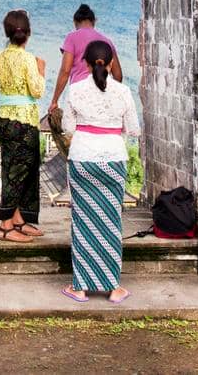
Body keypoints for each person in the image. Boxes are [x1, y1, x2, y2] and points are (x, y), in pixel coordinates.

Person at [59, 39, 139, 305]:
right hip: (114, 156)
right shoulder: (124, 92)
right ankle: (113, 286)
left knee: (83, 222)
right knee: (111, 221)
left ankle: (80, 286)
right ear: (112, 62)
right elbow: (133, 129)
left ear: (84, 63)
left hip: (82, 157)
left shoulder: (76, 90)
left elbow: (69, 128)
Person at [0, 9, 46, 243]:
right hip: (23, 121)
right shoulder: (28, 59)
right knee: (20, 174)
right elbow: (36, 91)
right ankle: (5, 225)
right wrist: (41, 72)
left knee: (11, 169)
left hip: (4, 119)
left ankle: (18, 219)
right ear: (28, 33)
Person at [48, 4, 122, 137]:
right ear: (94, 21)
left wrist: (55, 100)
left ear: (75, 22)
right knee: (100, 135)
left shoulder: (71, 38)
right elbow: (118, 75)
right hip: (103, 93)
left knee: (80, 136)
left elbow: (65, 71)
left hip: (79, 95)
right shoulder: (107, 41)